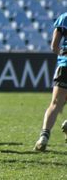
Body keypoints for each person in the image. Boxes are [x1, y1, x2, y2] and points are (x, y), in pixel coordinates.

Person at [34, 12, 67, 151]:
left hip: (65, 66)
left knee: (55, 104)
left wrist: (63, 53)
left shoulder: (64, 17)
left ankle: (44, 137)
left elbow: (54, 46)